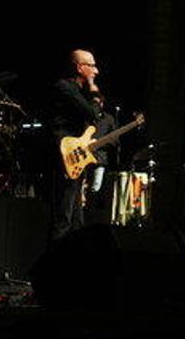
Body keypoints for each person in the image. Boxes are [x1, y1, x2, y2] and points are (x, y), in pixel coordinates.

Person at [48, 49, 109, 240]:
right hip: (64, 153)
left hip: (76, 155)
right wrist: (92, 88)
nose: (96, 71)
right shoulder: (64, 87)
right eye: (91, 65)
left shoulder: (76, 91)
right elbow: (92, 113)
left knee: (76, 219)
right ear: (79, 67)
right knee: (64, 216)